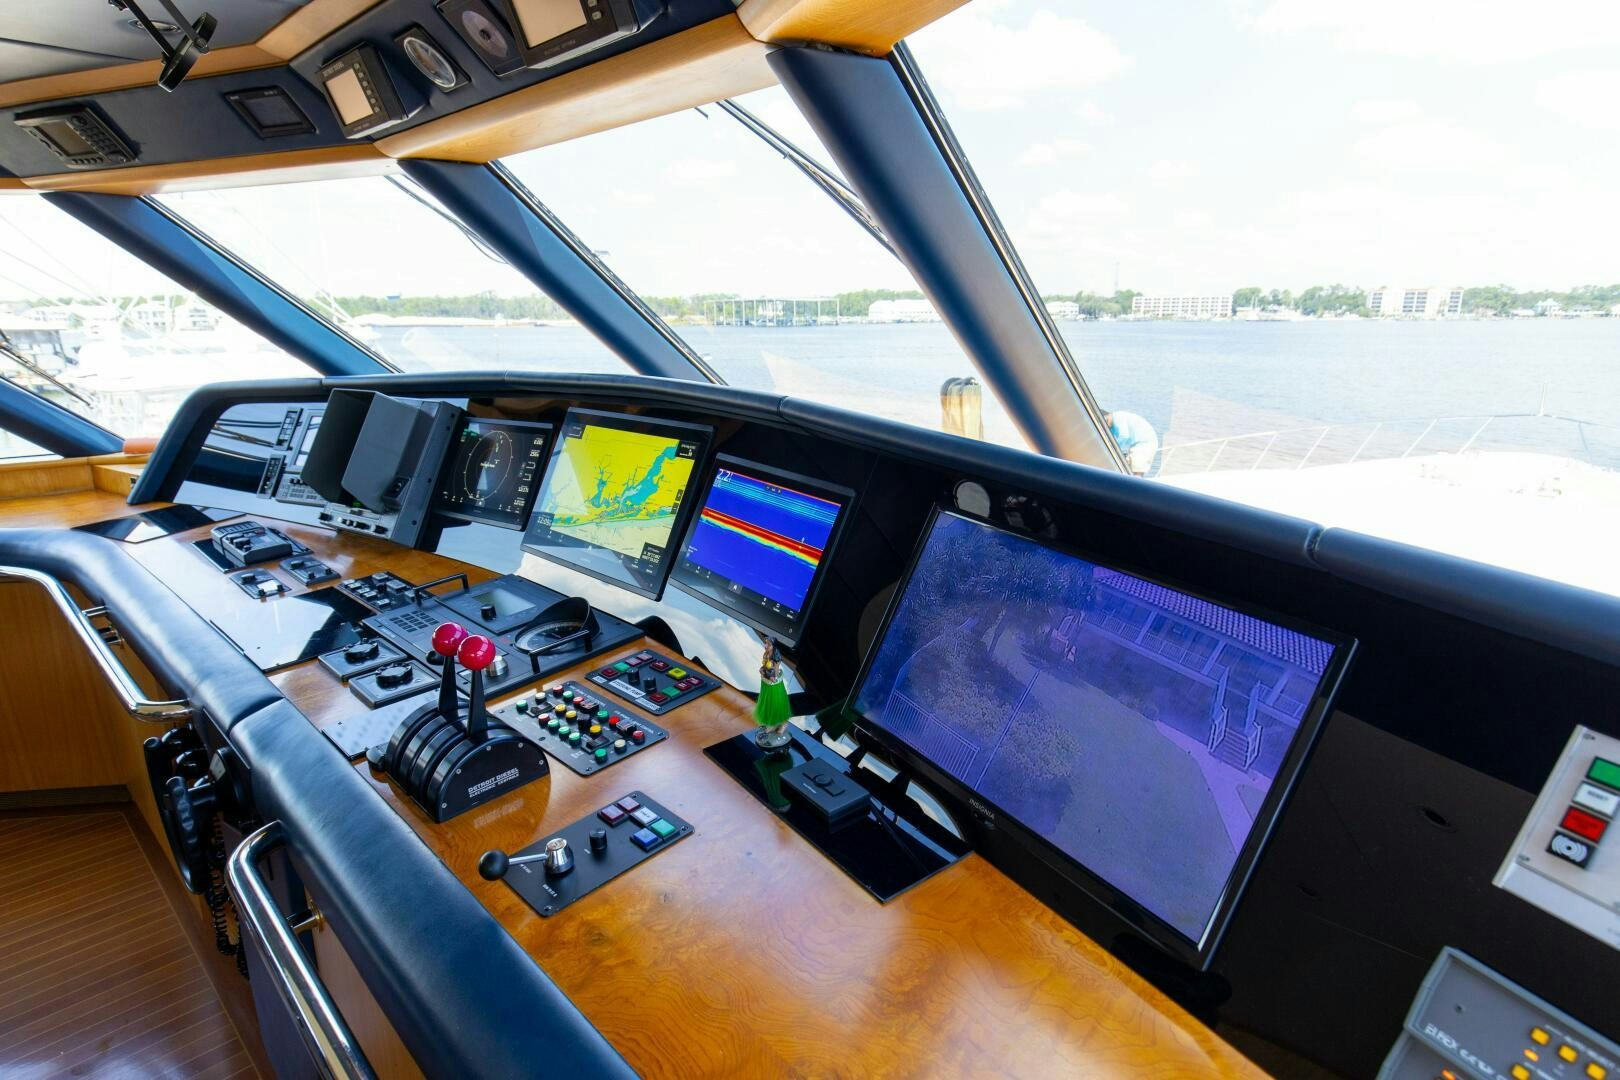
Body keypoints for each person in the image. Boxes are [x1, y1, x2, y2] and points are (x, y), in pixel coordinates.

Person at [1104, 410, 1159, 477]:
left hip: (1145, 444)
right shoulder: (1112, 424)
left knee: (1137, 470)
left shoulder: (1118, 418)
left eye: (1106, 420)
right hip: (1141, 443)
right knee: (1129, 468)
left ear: (1109, 415)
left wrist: (1113, 448)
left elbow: (1124, 436)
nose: (1106, 424)